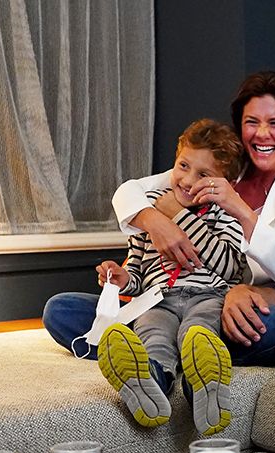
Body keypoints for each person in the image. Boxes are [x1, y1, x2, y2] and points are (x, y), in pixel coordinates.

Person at [43, 71, 275, 366]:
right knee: (61, 310)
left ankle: (154, 351)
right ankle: (171, 350)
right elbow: (131, 191)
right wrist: (155, 222)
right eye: (251, 122)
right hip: (165, 302)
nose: (262, 134)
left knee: (274, 328)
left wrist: (239, 211)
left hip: (225, 307)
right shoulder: (221, 162)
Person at [95, 119, 245, 435]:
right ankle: (149, 383)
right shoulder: (148, 212)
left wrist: (180, 216)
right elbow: (137, 271)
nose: (187, 180)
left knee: (197, 333)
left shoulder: (225, 215)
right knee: (153, 336)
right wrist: (122, 278)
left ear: (224, 182)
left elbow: (229, 265)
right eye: (183, 166)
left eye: (203, 175)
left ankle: (206, 384)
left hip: (208, 296)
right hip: (158, 300)